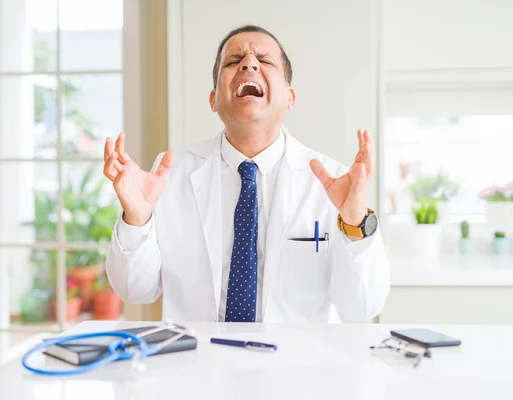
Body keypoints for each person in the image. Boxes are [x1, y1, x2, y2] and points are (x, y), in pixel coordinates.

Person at [103, 25, 389, 323]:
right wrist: (136, 220)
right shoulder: (171, 172)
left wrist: (355, 223)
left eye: (264, 60)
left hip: (298, 365)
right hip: (197, 362)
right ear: (213, 100)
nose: (249, 63)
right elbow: (135, 290)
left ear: (290, 98)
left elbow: (362, 307)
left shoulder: (332, 180)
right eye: (232, 61)